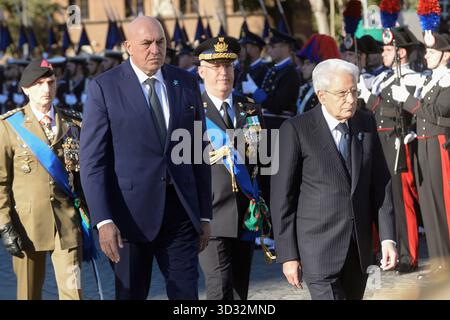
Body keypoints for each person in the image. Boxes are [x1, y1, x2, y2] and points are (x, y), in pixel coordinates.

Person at [80, 16, 212, 300]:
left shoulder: (185, 82)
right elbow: (93, 162)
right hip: (129, 219)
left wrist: (203, 213)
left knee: (186, 295)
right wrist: (103, 221)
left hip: (180, 215)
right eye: (147, 43)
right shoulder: (105, 87)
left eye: (161, 42)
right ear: (128, 46)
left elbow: (198, 151)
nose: (156, 49)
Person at [271, 59, 397, 300]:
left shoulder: (365, 122)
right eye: (342, 93)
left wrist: (388, 238)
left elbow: (380, 183)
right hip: (318, 248)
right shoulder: (296, 129)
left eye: (354, 91)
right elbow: (282, 197)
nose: (351, 99)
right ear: (321, 95)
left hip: (358, 249)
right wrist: (288, 255)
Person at [0, 59, 84, 299]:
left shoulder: (72, 123)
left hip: (67, 224)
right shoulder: (9, 126)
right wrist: (4, 223)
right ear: (25, 89)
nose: (46, 89)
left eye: (50, 82)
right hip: (26, 226)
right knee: (29, 293)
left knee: (74, 292)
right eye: (38, 84)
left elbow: (84, 175)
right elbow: (1, 181)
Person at [194, 36, 268, 300]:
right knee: (218, 287)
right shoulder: (191, 110)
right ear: (201, 71)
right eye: (216, 67)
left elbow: (263, 162)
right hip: (210, 216)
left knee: (239, 291)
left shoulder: (249, 109)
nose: (223, 73)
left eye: (228, 66)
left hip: (245, 215)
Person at [359, 26, 423, 273]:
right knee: (381, 197)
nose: (383, 53)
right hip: (378, 141)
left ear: (402, 53)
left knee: (401, 198)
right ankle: (387, 248)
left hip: (398, 141)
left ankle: (409, 254)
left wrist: (370, 98)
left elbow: (401, 113)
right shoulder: (382, 77)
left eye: (388, 49)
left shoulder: (415, 79)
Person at [391, 31, 450, 273]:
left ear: (446, 55)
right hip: (423, 143)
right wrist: (413, 131)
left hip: (440, 145)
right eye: (427, 51)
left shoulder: (448, 80)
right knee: (427, 204)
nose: (427, 56)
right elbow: (424, 114)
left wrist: (407, 100)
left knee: (443, 204)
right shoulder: (430, 79)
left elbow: (438, 112)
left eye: (433, 52)